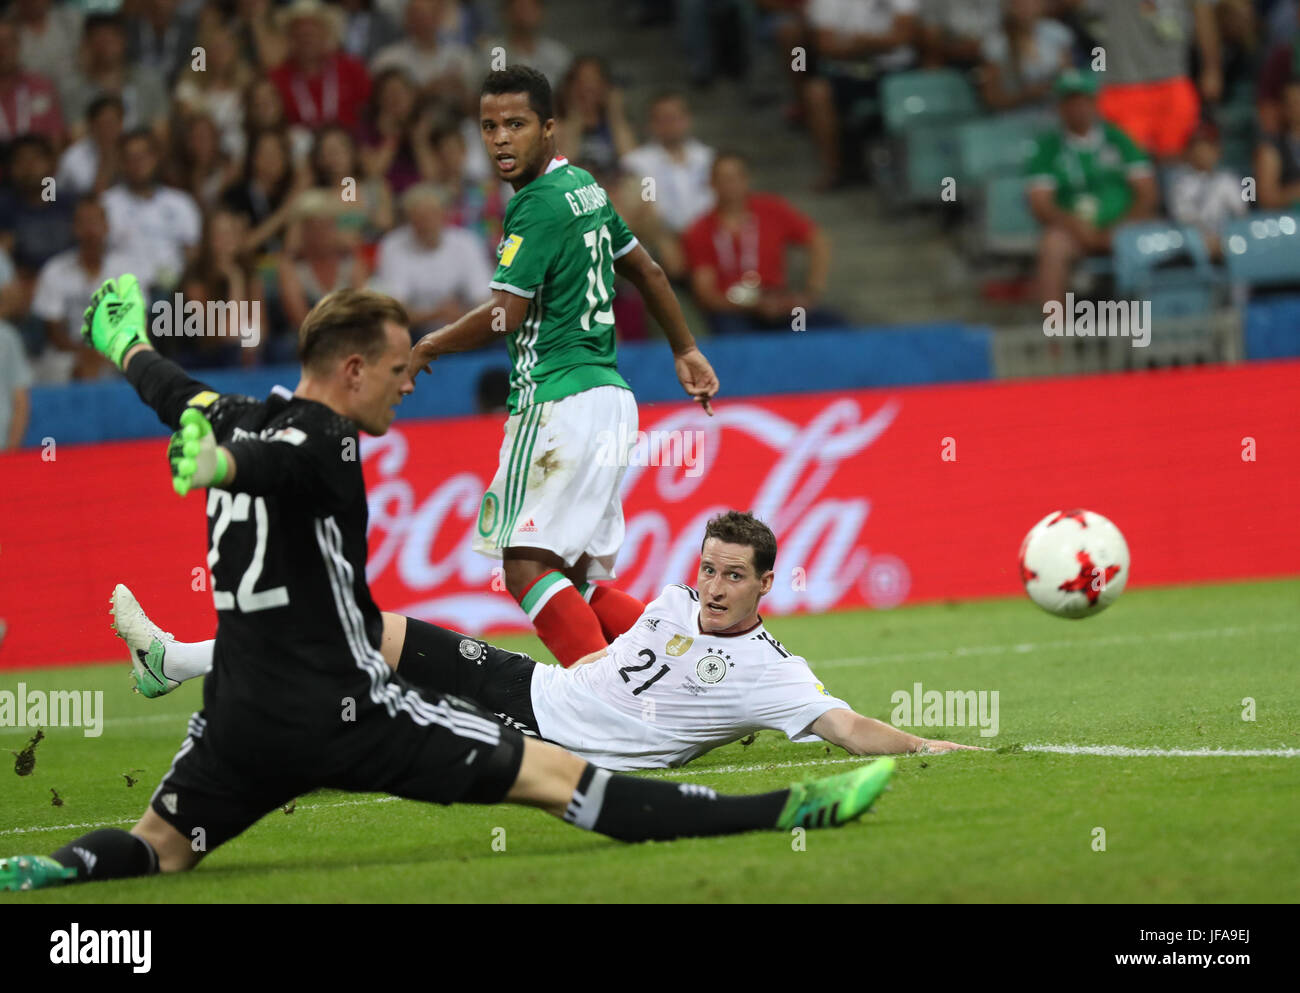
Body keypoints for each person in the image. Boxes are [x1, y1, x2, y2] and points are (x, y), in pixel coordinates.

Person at [0, 276, 895, 893]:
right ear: (353, 371)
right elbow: (285, 466)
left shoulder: (232, 414)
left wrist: (126, 344)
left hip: (240, 718)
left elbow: (174, 391)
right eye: (396, 372)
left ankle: (53, 871)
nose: (405, 387)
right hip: (344, 711)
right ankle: (787, 808)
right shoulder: (322, 444)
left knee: (160, 850)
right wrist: (223, 466)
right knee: (565, 783)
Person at [114, 511, 981, 767]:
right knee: (358, 630)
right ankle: (177, 662)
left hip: (543, 739)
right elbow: (625, 640)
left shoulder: (770, 673)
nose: (713, 586)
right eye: (708, 567)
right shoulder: (676, 602)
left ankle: (187, 681)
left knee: (344, 689)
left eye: (731, 576)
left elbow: (846, 726)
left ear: (764, 585)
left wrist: (922, 743)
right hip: (533, 690)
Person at [408, 66, 720, 668]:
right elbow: (648, 271)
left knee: (524, 565)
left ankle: (599, 707)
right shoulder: (584, 187)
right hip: (609, 397)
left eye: (516, 124)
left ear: (549, 128)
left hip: (557, 402)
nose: (500, 139)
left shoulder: (536, 206)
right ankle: (697, 676)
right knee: (575, 577)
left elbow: (505, 313)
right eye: (489, 126)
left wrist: (427, 346)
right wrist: (685, 347)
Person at [1025, 69, 1158, 306]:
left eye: (1082, 100)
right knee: (1052, 247)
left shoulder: (1119, 139)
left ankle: (1150, 327)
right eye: (1069, 101)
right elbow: (1040, 204)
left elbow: (1147, 193)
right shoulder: (1047, 148)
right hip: (1073, 231)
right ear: (1060, 107)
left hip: (1123, 226)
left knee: (1153, 240)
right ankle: (1057, 336)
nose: (1077, 108)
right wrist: (1074, 225)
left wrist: (1122, 225)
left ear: (1094, 103)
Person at [683, 151, 834, 335]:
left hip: (779, 304)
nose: (730, 185)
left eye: (736, 177)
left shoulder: (771, 209)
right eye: (723, 178)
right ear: (712, 184)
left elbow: (818, 240)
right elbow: (706, 294)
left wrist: (810, 292)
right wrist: (751, 306)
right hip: (734, 310)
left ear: (747, 179)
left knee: (828, 326)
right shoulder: (700, 229)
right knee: (735, 339)